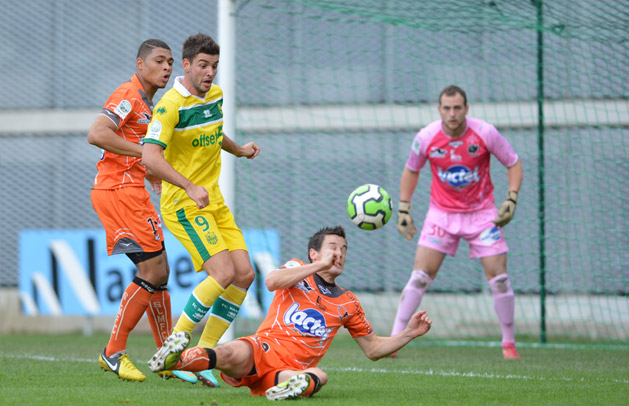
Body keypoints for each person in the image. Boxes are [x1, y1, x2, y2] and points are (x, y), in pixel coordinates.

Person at [147, 226, 432, 400]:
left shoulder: (348, 303)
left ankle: (284, 391)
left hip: (289, 369)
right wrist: (319, 267)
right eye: (333, 247)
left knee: (319, 376)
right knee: (226, 354)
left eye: (344, 249)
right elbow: (271, 281)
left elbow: (372, 349)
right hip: (262, 349)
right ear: (313, 253)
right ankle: (172, 361)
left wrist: (408, 333)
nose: (340, 253)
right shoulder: (297, 269)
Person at [141, 33, 260, 387]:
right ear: (187, 65)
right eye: (204, 66)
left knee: (244, 275)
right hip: (184, 204)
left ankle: (202, 357)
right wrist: (189, 186)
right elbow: (149, 156)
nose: (210, 73)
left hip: (214, 201)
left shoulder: (216, 96)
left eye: (215, 66)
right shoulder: (169, 105)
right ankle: (173, 350)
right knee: (221, 273)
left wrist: (237, 150)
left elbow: (213, 132)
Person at [89, 39, 195, 383]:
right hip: (118, 192)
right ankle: (113, 352)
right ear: (140, 65)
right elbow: (97, 134)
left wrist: (148, 171)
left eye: (169, 63)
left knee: (159, 274)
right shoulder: (128, 94)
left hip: (131, 190)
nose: (166, 68)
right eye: (159, 61)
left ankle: (167, 357)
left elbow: (133, 149)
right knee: (154, 271)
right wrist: (145, 154)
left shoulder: (149, 105)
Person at [392, 85, 523, 359]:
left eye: (457, 108)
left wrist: (511, 200)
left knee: (499, 280)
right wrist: (404, 208)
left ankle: (508, 343)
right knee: (419, 277)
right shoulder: (426, 137)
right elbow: (411, 170)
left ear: (466, 109)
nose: (452, 113)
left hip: (483, 214)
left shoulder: (485, 132)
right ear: (439, 109)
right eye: (447, 108)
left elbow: (513, 163)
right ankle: (394, 339)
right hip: (441, 214)